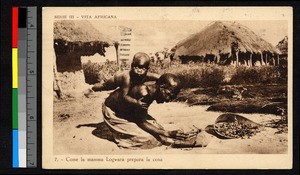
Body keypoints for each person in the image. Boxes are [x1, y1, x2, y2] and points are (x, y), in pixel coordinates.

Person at [102, 73, 208, 149]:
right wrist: (167, 133)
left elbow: (160, 77)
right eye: (169, 95)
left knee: (159, 130)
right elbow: (141, 122)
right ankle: (118, 132)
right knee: (150, 140)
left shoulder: (155, 86)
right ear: (162, 87)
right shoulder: (144, 94)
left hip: (128, 111)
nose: (167, 100)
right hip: (113, 112)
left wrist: (164, 132)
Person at [85, 52, 160, 110]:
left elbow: (161, 77)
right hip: (116, 81)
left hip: (126, 86)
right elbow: (124, 96)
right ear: (132, 66)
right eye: (136, 67)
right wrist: (136, 102)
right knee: (103, 86)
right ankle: (91, 88)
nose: (139, 71)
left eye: (143, 68)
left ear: (147, 68)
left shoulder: (147, 75)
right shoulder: (127, 78)